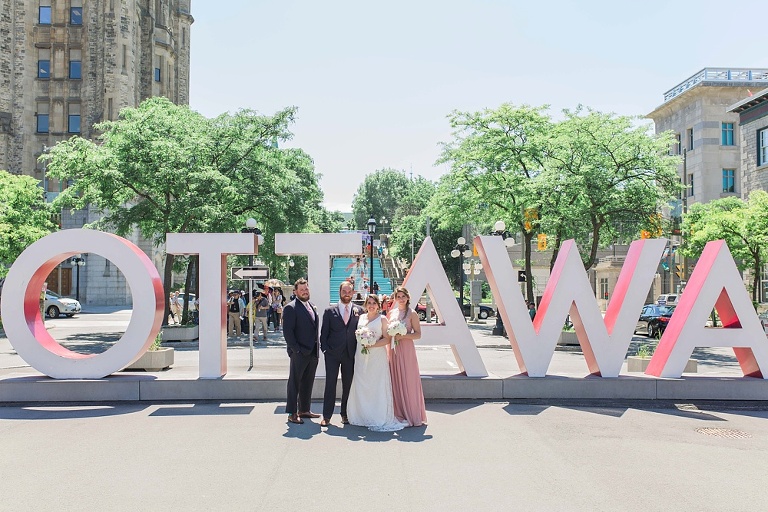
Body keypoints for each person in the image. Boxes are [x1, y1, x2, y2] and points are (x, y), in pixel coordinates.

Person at [347, 294, 408, 432]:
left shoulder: (382, 319)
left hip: (377, 357)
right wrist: (364, 341)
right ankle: (362, 415)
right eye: (369, 303)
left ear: (378, 305)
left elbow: (387, 339)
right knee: (362, 384)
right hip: (361, 356)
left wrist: (371, 343)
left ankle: (377, 415)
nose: (371, 305)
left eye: (374, 303)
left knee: (376, 385)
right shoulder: (361, 318)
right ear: (365, 304)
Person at [319, 281, 363, 426]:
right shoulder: (329, 311)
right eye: (344, 291)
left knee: (348, 385)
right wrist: (325, 349)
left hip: (350, 354)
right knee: (330, 384)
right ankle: (326, 416)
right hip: (332, 354)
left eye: (349, 291)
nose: (346, 294)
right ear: (339, 292)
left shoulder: (360, 311)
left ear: (353, 292)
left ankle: (345, 414)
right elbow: (323, 334)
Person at [283, 278, 320, 424]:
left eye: (306, 289)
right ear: (295, 292)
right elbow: (288, 333)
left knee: (308, 382)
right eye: (302, 290)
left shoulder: (311, 305)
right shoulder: (290, 308)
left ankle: (304, 409)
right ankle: (292, 412)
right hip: (299, 353)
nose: (305, 291)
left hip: (312, 352)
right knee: (295, 382)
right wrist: (296, 350)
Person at [388, 286, 427, 427]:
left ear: (408, 297)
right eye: (398, 296)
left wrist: (403, 336)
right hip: (393, 349)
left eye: (403, 296)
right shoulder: (391, 313)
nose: (401, 299)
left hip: (406, 349)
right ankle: (399, 412)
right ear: (395, 298)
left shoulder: (412, 313)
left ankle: (412, 414)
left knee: (408, 380)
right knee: (395, 379)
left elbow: (418, 334)